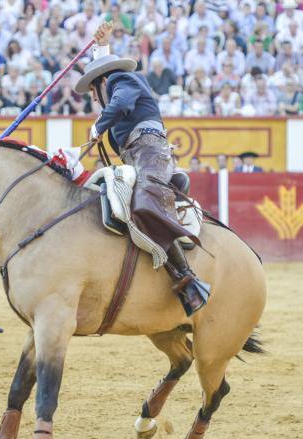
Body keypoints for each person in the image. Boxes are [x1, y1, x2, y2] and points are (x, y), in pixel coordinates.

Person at [74, 22, 209, 315]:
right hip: (137, 157)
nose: (93, 98)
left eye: (93, 91)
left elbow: (119, 102)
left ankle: (187, 279)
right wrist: (101, 47)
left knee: (146, 203)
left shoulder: (122, 79)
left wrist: (98, 125)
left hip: (150, 151)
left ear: (101, 82)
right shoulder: (113, 87)